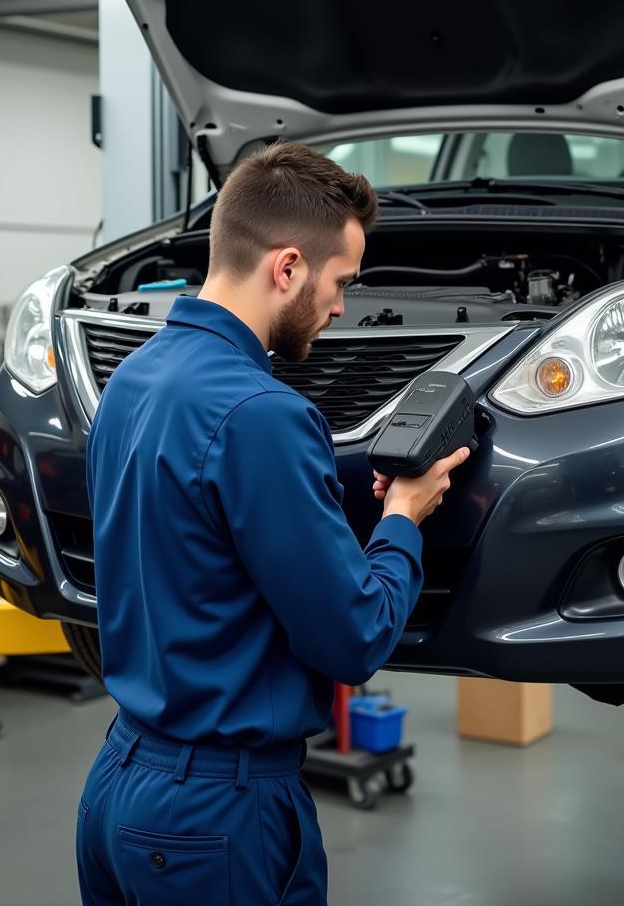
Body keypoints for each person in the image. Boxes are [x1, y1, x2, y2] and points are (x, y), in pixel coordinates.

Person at [76, 141, 470, 904]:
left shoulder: (132, 378)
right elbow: (352, 638)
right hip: (215, 812)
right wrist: (402, 518)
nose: (340, 308)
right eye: (339, 282)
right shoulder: (265, 416)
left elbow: (196, 549)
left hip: (118, 782)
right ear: (287, 266)